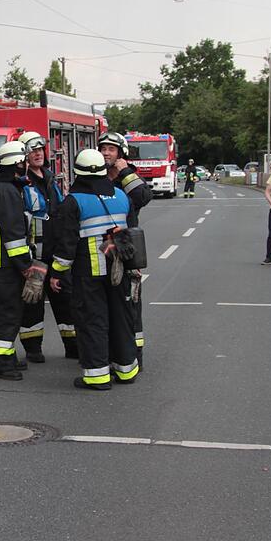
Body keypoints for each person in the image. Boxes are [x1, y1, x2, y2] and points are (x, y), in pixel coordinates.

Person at [48, 149, 138, 391]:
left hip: (89, 273)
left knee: (92, 321)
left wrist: (56, 273)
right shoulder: (121, 196)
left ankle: (97, 376)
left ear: (77, 172)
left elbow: (66, 245)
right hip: (120, 270)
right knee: (121, 317)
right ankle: (126, 369)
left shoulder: (73, 202)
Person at [99, 131, 152, 367]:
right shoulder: (97, 177)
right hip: (103, 248)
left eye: (111, 149)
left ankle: (134, 355)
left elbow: (142, 197)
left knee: (131, 305)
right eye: (103, 149)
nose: (106, 153)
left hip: (128, 249)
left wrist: (125, 172)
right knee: (109, 304)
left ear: (121, 153)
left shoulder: (128, 177)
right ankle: (112, 353)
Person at [0, 140, 38, 381]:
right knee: (7, 314)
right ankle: (2, 364)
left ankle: (6, 357)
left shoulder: (7, 187)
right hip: (8, 266)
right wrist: (25, 267)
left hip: (6, 265)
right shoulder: (7, 192)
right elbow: (13, 234)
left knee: (12, 313)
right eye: (24, 161)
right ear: (17, 163)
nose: (27, 165)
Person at [16, 130, 67, 363]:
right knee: (33, 303)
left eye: (39, 150)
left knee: (65, 299)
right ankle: (33, 349)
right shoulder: (21, 182)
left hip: (56, 251)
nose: (37, 154)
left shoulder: (49, 177)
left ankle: (74, 345)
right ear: (23, 155)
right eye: (32, 151)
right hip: (34, 254)